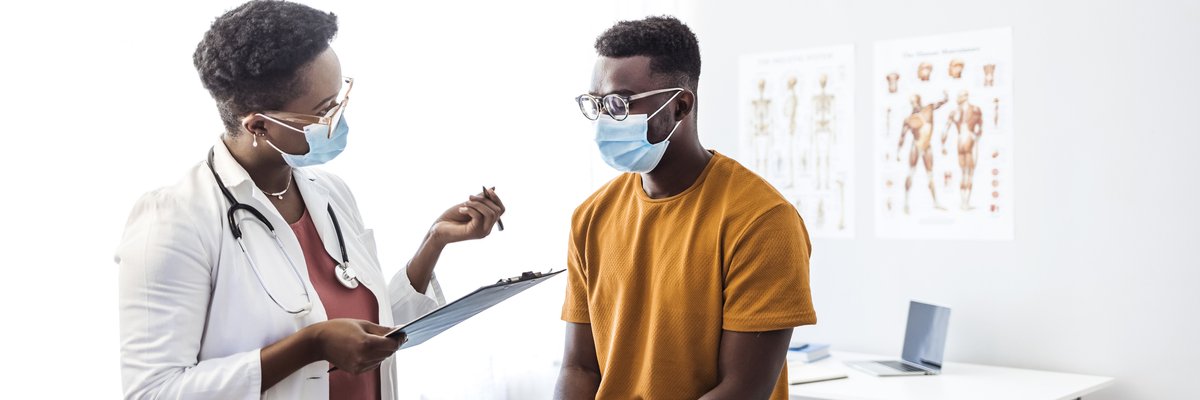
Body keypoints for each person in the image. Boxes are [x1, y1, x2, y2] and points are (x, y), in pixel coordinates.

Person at [115, 2, 505, 399]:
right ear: (258, 125)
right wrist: (309, 346)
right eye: (324, 111)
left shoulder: (330, 193)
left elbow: (372, 333)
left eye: (339, 100)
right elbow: (153, 391)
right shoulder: (174, 219)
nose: (338, 120)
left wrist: (434, 243)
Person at [556, 16, 816, 400]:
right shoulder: (591, 216)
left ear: (680, 106)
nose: (605, 119)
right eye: (596, 103)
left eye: (620, 102)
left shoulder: (762, 221)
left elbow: (742, 390)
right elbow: (579, 367)